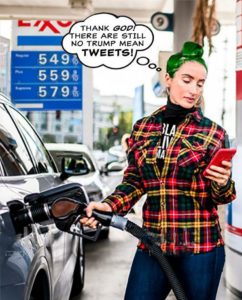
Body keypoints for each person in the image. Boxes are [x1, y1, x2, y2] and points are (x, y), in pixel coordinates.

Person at [81, 41, 236, 300]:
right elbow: (134, 181)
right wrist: (109, 206)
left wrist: (222, 182)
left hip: (199, 246)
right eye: (187, 80)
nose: (194, 89)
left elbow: (223, 196)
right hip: (153, 244)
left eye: (200, 83)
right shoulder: (143, 128)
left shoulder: (214, 133)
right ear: (168, 78)